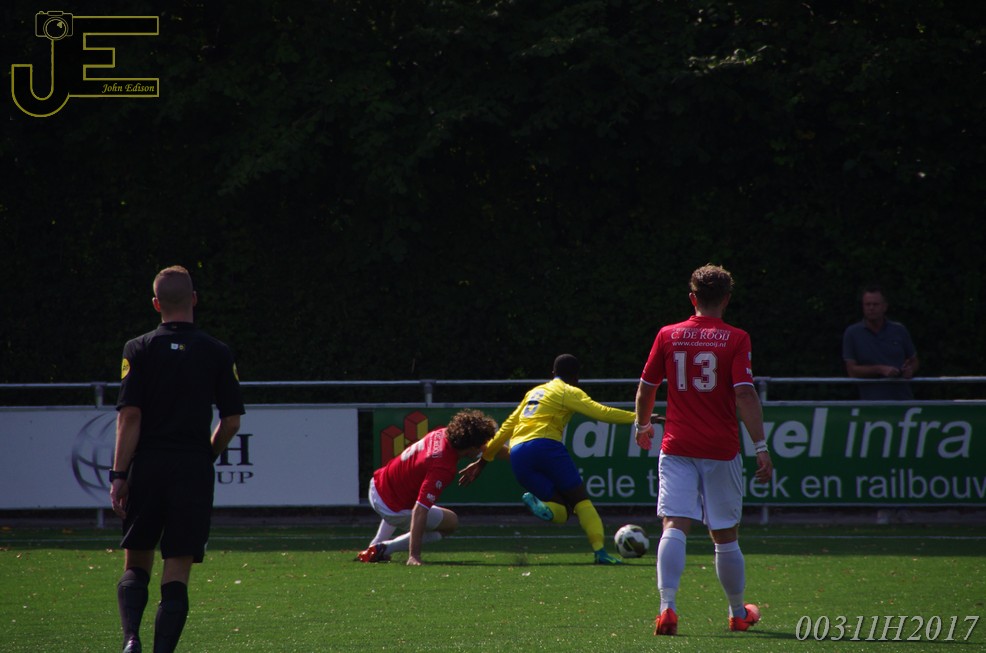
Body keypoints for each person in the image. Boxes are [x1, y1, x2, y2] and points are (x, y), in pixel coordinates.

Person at [109, 265, 245, 653]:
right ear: (194, 300)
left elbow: (129, 416)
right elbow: (231, 422)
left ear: (156, 304)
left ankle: (131, 638)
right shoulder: (217, 352)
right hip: (192, 469)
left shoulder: (138, 349)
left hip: (148, 465)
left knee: (137, 561)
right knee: (177, 568)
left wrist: (119, 474)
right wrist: (206, 455)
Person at [634, 264, 773, 636]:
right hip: (720, 448)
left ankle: (667, 608)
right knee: (725, 534)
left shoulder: (668, 334)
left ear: (692, 298)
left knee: (674, 524)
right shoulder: (737, 338)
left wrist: (642, 426)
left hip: (677, 445)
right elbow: (745, 394)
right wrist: (760, 446)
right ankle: (737, 613)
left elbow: (647, 387)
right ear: (726, 300)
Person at [458, 354, 639, 565]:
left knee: (562, 512)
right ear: (576, 377)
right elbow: (602, 413)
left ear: (552, 373)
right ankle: (600, 552)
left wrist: (483, 461)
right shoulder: (569, 391)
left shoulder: (533, 393)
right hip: (546, 446)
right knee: (581, 502)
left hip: (518, 454)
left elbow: (507, 427)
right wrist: (639, 418)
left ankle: (543, 507)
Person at [357, 409, 498, 565]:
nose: (484, 448)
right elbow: (420, 510)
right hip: (391, 508)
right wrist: (414, 555)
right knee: (451, 522)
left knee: (407, 494)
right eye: (482, 444)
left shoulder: (442, 433)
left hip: (377, 485)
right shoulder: (442, 467)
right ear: (471, 446)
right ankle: (386, 548)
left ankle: (375, 545)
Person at [842, 285, 919, 400]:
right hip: (871, 403)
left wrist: (910, 370)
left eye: (875, 304)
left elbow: (914, 360)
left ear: (884, 307)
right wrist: (879, 369)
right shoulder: (852, 333)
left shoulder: (899, 330)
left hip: (902, 400)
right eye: (867, 304)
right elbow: (852, 371)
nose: (871, 308)